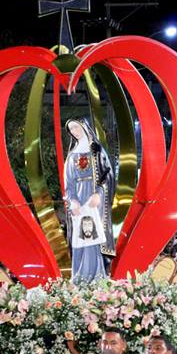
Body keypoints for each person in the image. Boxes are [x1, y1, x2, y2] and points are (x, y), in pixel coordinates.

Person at [63, 117, 115, 281]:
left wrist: (98, 193)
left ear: (84, 127)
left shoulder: (96, 150)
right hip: (78, 200)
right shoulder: (72, 155)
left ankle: (96, 275)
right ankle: (79, 276)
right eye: (71, 130)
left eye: (76, 128)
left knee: (93, 234)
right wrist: (73, 200)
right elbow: (69, 182)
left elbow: (107, 175)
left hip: (93, 201)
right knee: (80, 236)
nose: (74, 132)